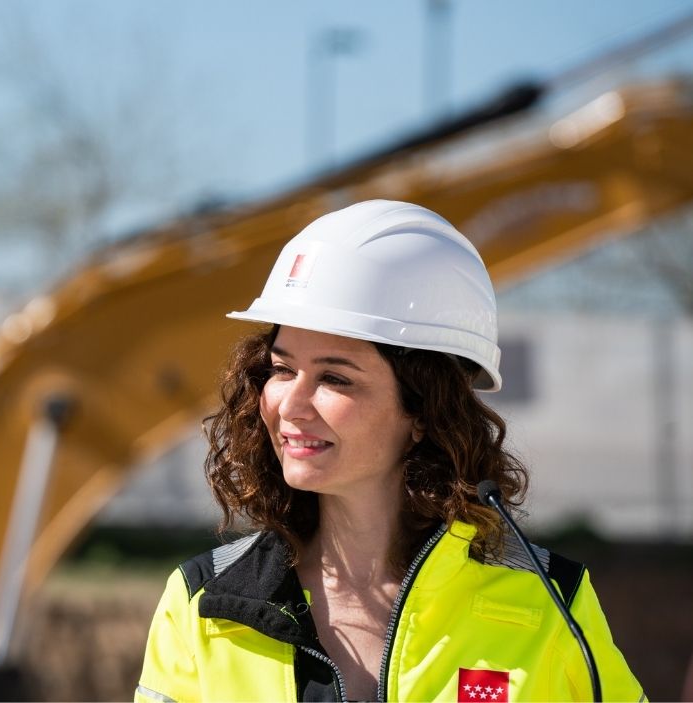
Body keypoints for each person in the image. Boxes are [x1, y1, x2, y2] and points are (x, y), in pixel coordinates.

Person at [135, 200, 643, 702]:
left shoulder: (554, 605)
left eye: (335, 378)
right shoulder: (203, 604)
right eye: (282, 369)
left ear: (424, 409)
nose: (290, 403)